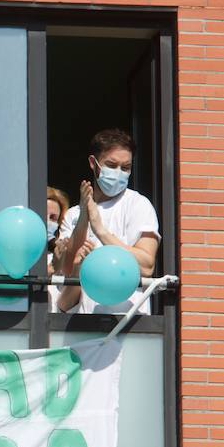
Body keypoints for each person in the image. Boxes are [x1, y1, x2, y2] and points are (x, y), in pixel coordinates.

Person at [57, 128, 160, 313]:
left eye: (126, 167)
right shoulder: (73, 214)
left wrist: (100, 231)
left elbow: (146, 266)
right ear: (93, 163)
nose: (118, 172)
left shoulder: (138, 204)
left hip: (129, 327)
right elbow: (66, 268)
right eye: (111, 166)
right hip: (83, 327)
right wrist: (84, 218)